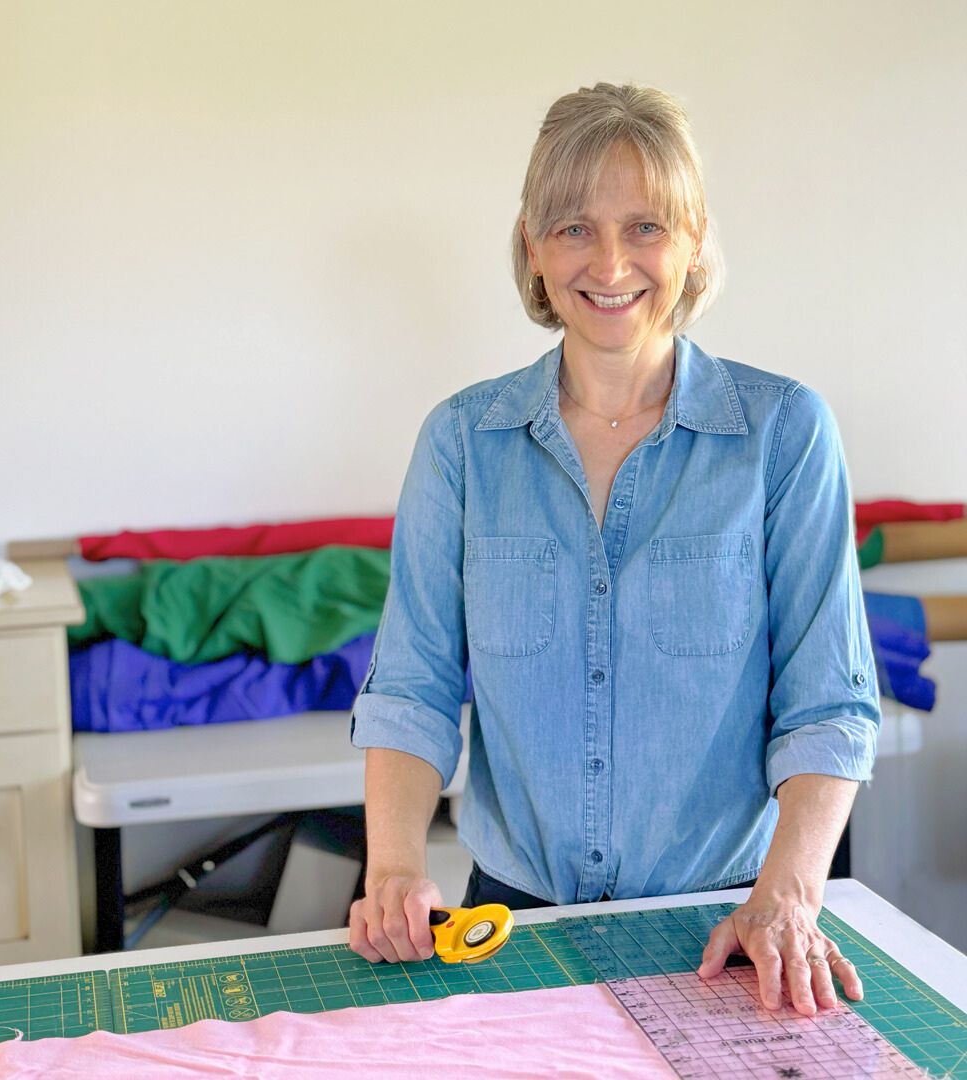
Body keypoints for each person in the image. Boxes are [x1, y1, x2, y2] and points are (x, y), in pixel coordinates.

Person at [348, 82, 880, 1017]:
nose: (610, 262)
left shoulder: (786, 434)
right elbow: (412, 687)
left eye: (644, 227)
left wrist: (790, 895)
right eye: (572, 228)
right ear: (531, 246)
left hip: (725, 931)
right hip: (511, 928)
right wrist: (392, 868)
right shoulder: (460, 443)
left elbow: (828, 702)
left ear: (694, 240)